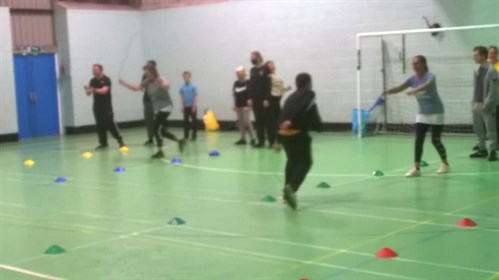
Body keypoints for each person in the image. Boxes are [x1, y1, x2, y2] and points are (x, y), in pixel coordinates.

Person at [383, 55, 449, 177]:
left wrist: (416, 90)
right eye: (413, 64)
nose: (414, 66)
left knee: (435, 140)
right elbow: (399, 88)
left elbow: (428, 84)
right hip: (422, 113)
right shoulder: (412, 79)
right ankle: (416, 167)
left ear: (423, 64)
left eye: (417, 63)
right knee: (418, 140)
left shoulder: (430, 75)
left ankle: (445, 163)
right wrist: (388, 91)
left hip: (436, 112)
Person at [119, 65, 185, 159]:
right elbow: (136, 88)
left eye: (147, 72)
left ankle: (160, 152)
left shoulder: (160, 78)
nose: (145, 74)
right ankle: (179, 141)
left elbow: (167, 85)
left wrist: (162, 84)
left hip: (166, 107)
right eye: (145, 73)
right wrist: (124, 83)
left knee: (155, 129)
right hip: (159, 109)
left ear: (152, 72)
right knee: (162, 131)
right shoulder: (147, 81)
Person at [278, 73, 322, 210]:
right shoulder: (309, 94)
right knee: (305, 162)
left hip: (282, 133)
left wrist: (276, 138)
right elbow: (303, 108)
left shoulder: (290, 96)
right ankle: (291, 187)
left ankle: (286, 191)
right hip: (295, 132)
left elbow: (283, 113)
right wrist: (292, 120)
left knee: (291, 162)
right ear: (308, 83)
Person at [84, 64, 125, 150]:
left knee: (110, 123)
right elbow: (88, 94)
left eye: (95, 70)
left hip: (106, 106)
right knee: (99, 125)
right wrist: (87, 90)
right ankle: (103, 143)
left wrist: (93, 89)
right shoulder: (92, 81)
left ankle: (119, 139)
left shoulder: (106, 80)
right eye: (93, 70)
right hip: (97, 106)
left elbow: (104, 91)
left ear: (101, 70)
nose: (93, 71)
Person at [469, 46, 498, 161]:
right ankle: (482, 149)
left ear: (482, 56)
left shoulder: (492, 70)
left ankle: (493, 151)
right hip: (476, 104)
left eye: (476, 55)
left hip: (487, 105)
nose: (474, 57)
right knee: (478, 128)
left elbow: (493, 90)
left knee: (490, 129)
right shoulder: (477, 71)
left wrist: (488, 103)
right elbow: (476, 88)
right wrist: (473, 103)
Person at [247, 51, 272, 148]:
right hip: (255, 100)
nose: (251, 59)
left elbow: (268, 84)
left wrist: (266, 98)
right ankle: (260, 141)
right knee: (258, 121)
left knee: (267, 120)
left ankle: (271, 141)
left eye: (252, 57)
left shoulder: (265, 68)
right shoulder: (252, 70)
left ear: (257, 57)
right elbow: (251, 85)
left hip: (263, 99)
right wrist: (249, 97)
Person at [267, 60, 292, 149]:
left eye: (272, 64)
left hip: (277, 100)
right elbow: (267, 89)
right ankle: (272, 141)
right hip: (272, 99)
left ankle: (279, 140)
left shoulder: (277, 75)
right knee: (272, 122)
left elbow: (280, 89)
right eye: (269, 65)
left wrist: (286, 89)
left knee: (279, 120)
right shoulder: (268, 77)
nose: (271, 66)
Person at [233, 66, 255, 145]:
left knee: (246, 121)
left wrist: (250, 100)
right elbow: (235, 94)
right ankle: (242, 138)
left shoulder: (248, 82)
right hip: (238, 104)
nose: (237, 75)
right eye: (236, 73)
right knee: (241, 122)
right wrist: (235, 105)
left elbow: (251, 93)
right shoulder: (236, 83)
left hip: (246, 105)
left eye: (239, 73)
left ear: (243, 73)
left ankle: (253, 138)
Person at [179, 71, 198, 141]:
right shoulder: (181, 87)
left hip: (192, 106)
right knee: (185, 121)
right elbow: (181, 97)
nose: (186, 78)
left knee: (194, 121)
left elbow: (195, 96)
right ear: (183, 78)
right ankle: (186, 136)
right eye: (185, 76)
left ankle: (194, 136)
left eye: (187, 76)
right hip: (185, 106)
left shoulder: (193, 86)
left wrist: (194, 106)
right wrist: (181, 106)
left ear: (190, 77)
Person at [142, 60, 157, 146]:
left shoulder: (157, 76)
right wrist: (143, 88)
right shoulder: (144, 75)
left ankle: (159, 137)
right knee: (148, 120)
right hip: (147, 100)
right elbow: (142, 86)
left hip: (156, 101)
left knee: (157, 120)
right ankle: (150, 138)